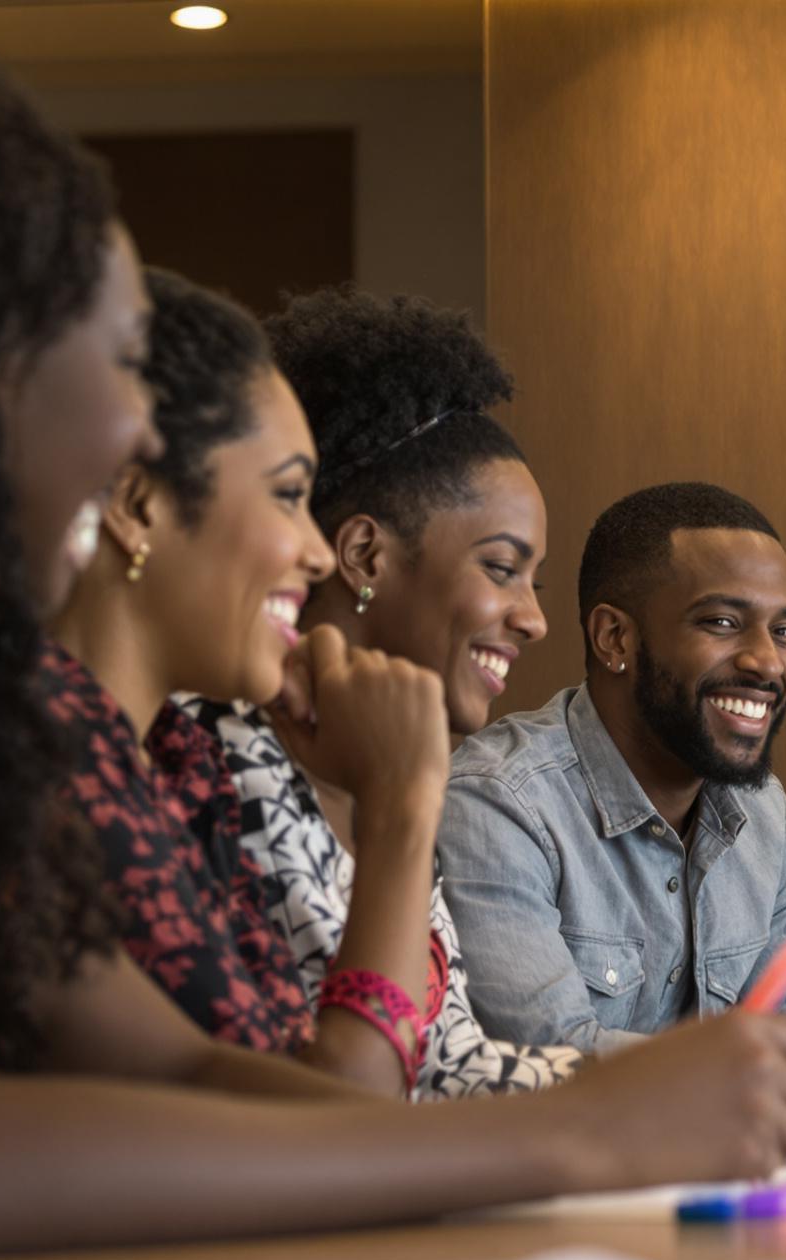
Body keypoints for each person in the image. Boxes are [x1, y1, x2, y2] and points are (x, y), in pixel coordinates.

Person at [0, 9, 786, 1260]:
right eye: (120, 362)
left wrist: (579, 1128)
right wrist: (576, 1135)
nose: (138, 431)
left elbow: (186, 1074)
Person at [47, 268, 514, 1097]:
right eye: (288, 496)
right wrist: (400, 807)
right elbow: (345, 1112)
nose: (315, 550)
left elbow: (288, 1082)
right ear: (138, 504)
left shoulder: (177, 765)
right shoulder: (42, 761)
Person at [438, 484, 786, 1115]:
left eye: (784, 631)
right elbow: (545, 1068)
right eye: (723, 623)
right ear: (614, 638)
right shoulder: (498, 805)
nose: (768, 663)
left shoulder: (762, 815)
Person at [158, 284, 582, 1097]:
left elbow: (446, 1064)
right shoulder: (208, 754)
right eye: (502, 568)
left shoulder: (386, 756)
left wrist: (669, 1076)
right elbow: (340, 1104)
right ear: (363, 556)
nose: (533, 619)